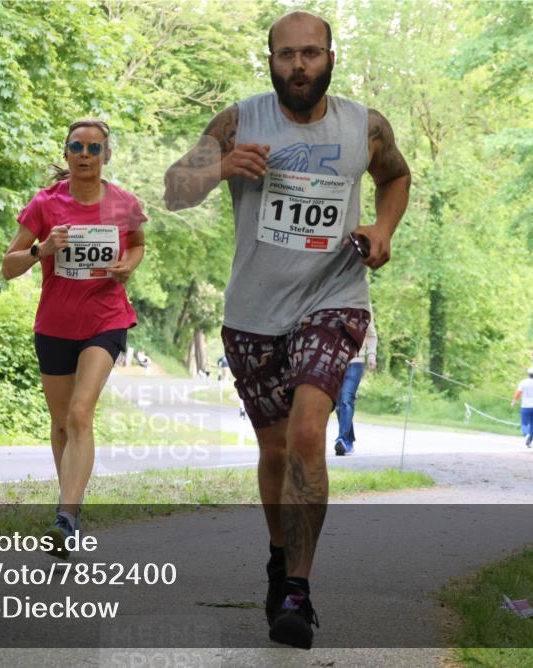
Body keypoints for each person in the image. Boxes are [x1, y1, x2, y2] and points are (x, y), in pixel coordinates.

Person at [163, 10, 410, 649]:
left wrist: (382, 232)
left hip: (334, 296)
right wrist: (219, 168)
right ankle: (279, 561)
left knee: (307, 435)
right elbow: (173, 190)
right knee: (274, 452)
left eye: (310, 53)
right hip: (253, 313)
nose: (298, 66)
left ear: (331, 55)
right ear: (268, 60)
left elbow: (396, 178)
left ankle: (297, 589)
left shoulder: (365, 126)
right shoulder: (238, 121)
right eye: (286, 56)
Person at [1, 118, 147, 557]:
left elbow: (137, 243)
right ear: (66, 153)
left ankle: (66, 515)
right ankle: (71, 512)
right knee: (62, 422)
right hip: (55, 325)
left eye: (94, 148)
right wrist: (41, 250)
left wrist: (128, 265)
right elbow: (8, 266)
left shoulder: (124, 204)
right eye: (77, 147)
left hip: (106, 319)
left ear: (107, 155)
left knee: (82, 413)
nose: (85, 154)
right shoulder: (45, 205)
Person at [334, 315, 377, 455]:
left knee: (347, 398)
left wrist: (371, 355)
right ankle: (348, 440)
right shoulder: (333, 301)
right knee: (339, 404)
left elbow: (371, 334)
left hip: (356, 361)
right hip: (336, 361)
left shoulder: (364, 304)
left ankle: (342, 440)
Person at [511, 367, 533, 448]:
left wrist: (514, 400)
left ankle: (527, 435)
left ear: (528, 374)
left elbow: (519, 392)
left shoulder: (523, 382)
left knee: (524, 423)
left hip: (525, 406)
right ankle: (530, 442)